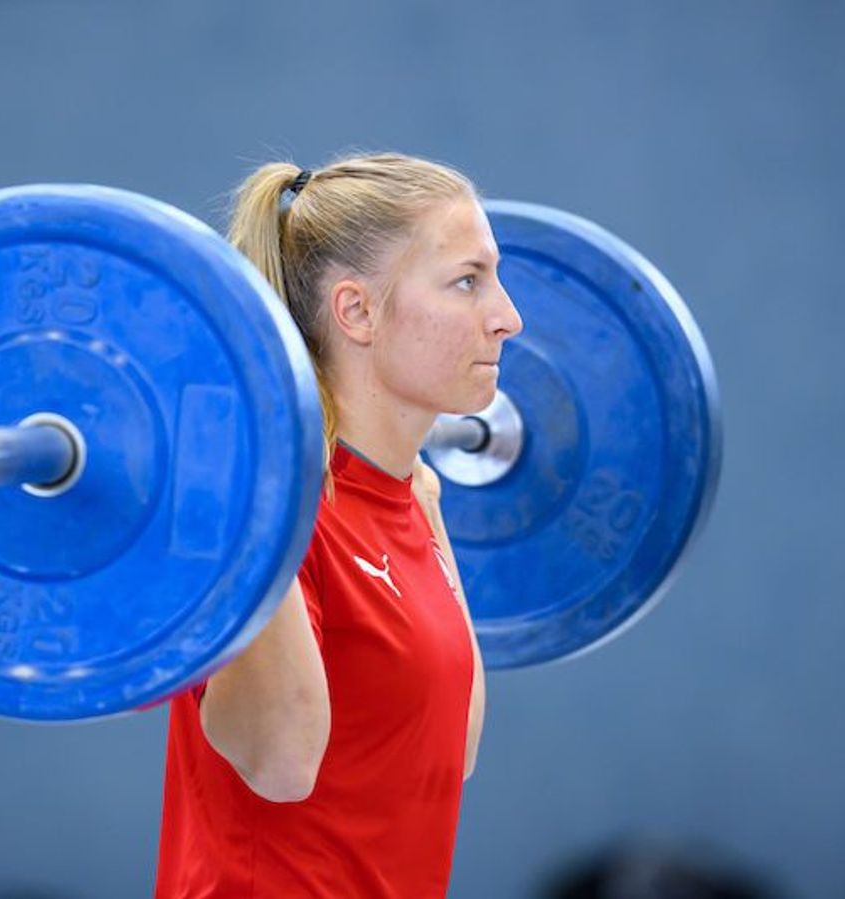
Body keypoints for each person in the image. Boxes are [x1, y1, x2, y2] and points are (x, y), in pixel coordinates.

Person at [153, 152, 524, 898]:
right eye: (467, 281)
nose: (508, 317)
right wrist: (256, 489)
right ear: (356, 311)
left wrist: (424, 502)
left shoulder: (410, 495)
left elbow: (451, 750)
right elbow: (282, 762)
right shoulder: (271, 506)